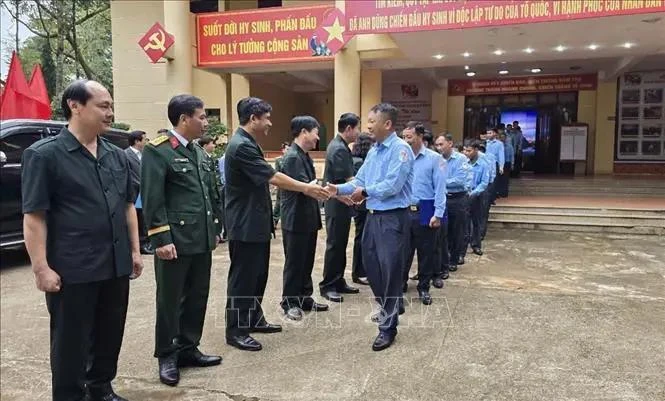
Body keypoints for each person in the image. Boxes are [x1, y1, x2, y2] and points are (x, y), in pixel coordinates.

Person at [21, 79, 143, 401]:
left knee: (109, 334)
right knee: (70, 343)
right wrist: (40, 269)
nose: (111, 113)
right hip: (73, 269)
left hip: (115, 263)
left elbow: (127, 205)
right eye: (103, 106)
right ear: (75, 106)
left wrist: (134, 250)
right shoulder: (44, 156)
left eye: (112, 106)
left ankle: (101, 389)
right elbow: (34, 217)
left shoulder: (117, 156)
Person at [224, 97, 329, 352]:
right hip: (244, 224)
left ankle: (253, 318)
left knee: (258, 275)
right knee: (243, 278)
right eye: (267, 117)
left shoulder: (249, 143)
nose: (270, 122)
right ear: (253, 119)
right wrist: (306, 187)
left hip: (255, 223)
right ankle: (236, 330)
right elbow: (272, 177)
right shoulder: (241, 146)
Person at [141, 95, 223, 387]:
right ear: (184, 119)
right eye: (201, 117)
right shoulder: (158, 151)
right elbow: (153, 198)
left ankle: (188, 348)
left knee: (197, 295)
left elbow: (207, 195)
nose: (205, 122)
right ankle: (167, 354)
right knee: (170, 300)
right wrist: (160, 238)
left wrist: (215, 228)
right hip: (174, 241)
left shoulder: (199, 153)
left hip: (200, 239)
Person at [328, 103, 414, 352]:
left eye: (371, 122)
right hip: (373, 217)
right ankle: (392, 304)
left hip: (393, 218)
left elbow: (393, 185)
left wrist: (364, 192)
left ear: (387, 124)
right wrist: (336, 189)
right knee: (372, 267)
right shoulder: (375, 151)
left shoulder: (401, 150)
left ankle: (388, 328)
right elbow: (359, 180)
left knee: (389, 272)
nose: (367, 127)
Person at [279, 116, 329, 321]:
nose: (318, 137)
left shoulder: (304, 155)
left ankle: (305, 296)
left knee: (306, 260)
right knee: (295, 262)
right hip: (295, 218)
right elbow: (305, 187)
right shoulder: (292, 157)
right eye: (315, 132)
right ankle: (289, 301)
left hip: (307, 217)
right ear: (303, 132)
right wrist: (330, 193)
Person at [402, 122, 447, 305]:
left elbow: (440, 189)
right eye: (404, 137)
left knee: (426, 252)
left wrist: (438, 214)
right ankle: (401, 283)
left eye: (409, 137)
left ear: (420, 136)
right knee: (403, 251)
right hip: (404, 210)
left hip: (426, 208)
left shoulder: (435, 159)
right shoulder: (401, 156)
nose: (406, 140)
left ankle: (423, 287)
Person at [319, 112, 361, 302]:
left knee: (341, 244)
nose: (359, 133)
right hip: (337, 203)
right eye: (357, 128)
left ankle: (338, 280)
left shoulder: (341, 146)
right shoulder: (338, 149)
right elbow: (349, 180)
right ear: (349, 128)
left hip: (342, 202)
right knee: (335, 245)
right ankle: (328, 285)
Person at [434, 134, 471, 275]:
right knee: (442, 232)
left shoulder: (461, 159)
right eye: (437, 145)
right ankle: (442, 261)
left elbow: (460, 181)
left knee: (456, 231)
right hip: (441, 198)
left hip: (457, 198)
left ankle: (453, 260)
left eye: (441, 144)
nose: (439, 147)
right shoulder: (436, 159)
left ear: (450, 143)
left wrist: (439, 182)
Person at [350, 133, 374, 286]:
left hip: (362, 204)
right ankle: (359, 272)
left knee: (362, 238)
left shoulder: (356, 159)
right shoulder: (360, 162)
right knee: (362, 239)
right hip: (363, 204)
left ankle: (361, 271)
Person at [125, 130, 153, 255]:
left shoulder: (145, 155)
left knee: (144, 218)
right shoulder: (125, 154)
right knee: (138, 219)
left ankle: (147, 242)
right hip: (134, 193)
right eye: (144, 139)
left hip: (144, 193)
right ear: (137, 141)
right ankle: (141, 244)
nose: (146, 142)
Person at [462, 140, 490, 256]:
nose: (466, 153)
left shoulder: (483, 164)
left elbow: (484, 182)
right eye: (464, 150)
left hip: (477, 196)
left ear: (476, 150)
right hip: (463, 195)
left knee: (476, 222)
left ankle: (476, 245)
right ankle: (461, 249)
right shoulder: (463, 163)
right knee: (463, 223)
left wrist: (474, 192)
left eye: (469, 150)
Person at [272, 141, 290, 226]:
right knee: (279, 203)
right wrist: (276, 185)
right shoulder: (279, 160)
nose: (288, 150)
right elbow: (276, 172)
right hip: (281, 183)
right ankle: (275, 219)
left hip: (290, 184)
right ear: (283, 150)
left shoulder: (291, 159)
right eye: (287, 149)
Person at [499, 132, 514, 197]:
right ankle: (498, 192)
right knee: (499, 179)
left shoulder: (509, 146)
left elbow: (512, 156)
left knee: (506, 179)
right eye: (501, 137)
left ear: (505, 138)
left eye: (503, 137)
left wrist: (512, 164)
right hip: (499, 163)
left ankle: (504, 193)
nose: (502, 138)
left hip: (507, 163)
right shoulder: (498, 145)